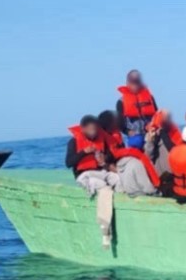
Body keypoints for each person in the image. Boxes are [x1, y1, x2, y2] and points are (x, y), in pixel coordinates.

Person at [66, 115, 119, 248]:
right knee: (104, 189)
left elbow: (110, 156)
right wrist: (84, 152)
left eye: (95, 129)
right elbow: (68, 162)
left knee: (118, 179)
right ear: (83, 129)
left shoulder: (102, 139)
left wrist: (104, 159)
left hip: (101, 171)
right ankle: (105, 230)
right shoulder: (73, 142)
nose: (94, 132)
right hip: (85, 175)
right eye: (90, 130)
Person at [116, 69, 158, 150]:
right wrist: (127, 131)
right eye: (132, 83)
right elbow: (119, 123)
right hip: (135, 136)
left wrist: (155, 127)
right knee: (136, 142)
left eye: (137, 82)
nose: (135, 85)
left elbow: (156, 114)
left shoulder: (150, 98)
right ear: (127, 83)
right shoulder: (121, 102)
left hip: (149, 133)